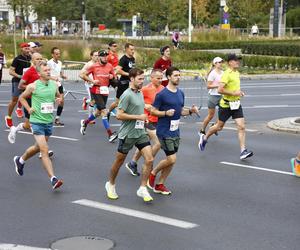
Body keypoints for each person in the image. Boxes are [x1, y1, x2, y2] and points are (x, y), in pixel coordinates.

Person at [147, 67, 199, 195]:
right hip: (164, 131)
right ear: (169, 77)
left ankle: (160, 184)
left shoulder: (181, 93)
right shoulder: (162, 94)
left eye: (179, 75)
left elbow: (180, 111)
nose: (178, 77)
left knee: (171, 161)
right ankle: (152, 174)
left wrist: (191, 111)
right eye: (175, 75)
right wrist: (165, 113)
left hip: (175, 131)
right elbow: (153, 111)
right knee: (172, 159)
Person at [105, 68, 154, 202]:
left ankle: (142, 188)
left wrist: (144, 118)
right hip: (127, 134)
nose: (142, 81)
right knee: (119, 161)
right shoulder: (126, 94)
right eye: (139, 79)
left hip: (140, 133)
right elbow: (119, 115)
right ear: (132, 79)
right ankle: (110, 184)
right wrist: (139, 116)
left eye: (143, 79)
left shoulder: (139, 93)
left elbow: (140, 110)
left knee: (149, 159)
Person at [13, 61, 63, 190]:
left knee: (36, 148)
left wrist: (58, 100)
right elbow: (21, 98)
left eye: (48, 70)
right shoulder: (33, 86)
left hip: (48, 122)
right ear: (39, 73)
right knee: (44, 150)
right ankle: (53, 179)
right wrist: (29, 109)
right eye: (45, 70)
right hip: (36, 122)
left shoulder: (53, 85)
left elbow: (58, 96)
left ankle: (20, 160)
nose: (48, 72)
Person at [198, 54, 254, 160]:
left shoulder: (236, 73)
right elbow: (220, 90)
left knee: (241, 127)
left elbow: (234, 88)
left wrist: (239, 93)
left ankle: (243, 151)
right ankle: (204, 138)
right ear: (230, 62)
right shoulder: (226, 74)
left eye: (238, 60)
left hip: (236, 104)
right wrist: (234, 93)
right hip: (226, 105)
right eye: (236, 60)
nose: (238, 62)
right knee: (219, 127)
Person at [125, 69, 164, 176]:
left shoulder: (163, 89)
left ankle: (132, 163)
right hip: (147, 120)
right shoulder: (145, 89)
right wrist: (145, 105)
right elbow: (136, 101)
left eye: (162, 78)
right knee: (158, 143)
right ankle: (149, 163)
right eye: (158, 78)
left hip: (158, 120)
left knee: (144, 144)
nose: (160, 80)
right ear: (151, 78)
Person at [79, 50, 118, 142]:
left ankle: (85, 122)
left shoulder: (109, 66)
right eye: (103, 56)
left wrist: (112, 77)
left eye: (106, 56)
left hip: (105, 91)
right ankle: (110, 135)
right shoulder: (93, 66)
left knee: (97, 113)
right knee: (104, 111)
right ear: (99, 57)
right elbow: (81, 75)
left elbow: (114, 77)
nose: (105, 58)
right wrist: (92, 81)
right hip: (95, 90)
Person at [5, 43, 31, 128]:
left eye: (28, 48)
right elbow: (11, 71)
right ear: (21, 49)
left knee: (28, 100)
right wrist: (20, 76)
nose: (27, 50)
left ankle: (29, 121)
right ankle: (8, 117)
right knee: (14, 100)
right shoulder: (17, 59)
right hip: (17, 81)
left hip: (26, 83)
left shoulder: (30, 58)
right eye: (25, 48)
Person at [107, 43, 135, 117]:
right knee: (117, 102)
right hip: (123, 83)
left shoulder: (132, 59)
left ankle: (129, 114)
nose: (133, 51)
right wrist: (128, 74)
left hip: (130, 83)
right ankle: (108, 112)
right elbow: (118, 70)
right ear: (126, 49)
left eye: (133, 49)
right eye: (131, 49)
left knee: (132, 99)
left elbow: (131, 69)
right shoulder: (123, 59)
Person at [199, 57, 224, 135]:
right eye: (219, 62)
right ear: (215, 64)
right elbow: (208, 86)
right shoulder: (212, 73)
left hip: (221, 96)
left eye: (221, 62)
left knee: (223, 115)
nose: (221, 64)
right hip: (213, 97)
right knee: (210, 115)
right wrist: (218, 85)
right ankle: (202, 130)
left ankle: (214, 126)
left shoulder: (223, 73)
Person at [47, 47, 67, 126]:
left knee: (61, 101)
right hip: (51, 84)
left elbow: (60, 72)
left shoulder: (60, 62)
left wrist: (63, 76)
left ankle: (57, 118)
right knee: (52, 102)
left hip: (58, 83)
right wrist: (52, 78)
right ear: (52, 54)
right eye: (56, 54)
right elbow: (46, 74)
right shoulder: (49, 63)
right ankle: (48, 119)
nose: (58, 55)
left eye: (59, 53)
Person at [81, 50, 98, 121]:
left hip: (96, 84)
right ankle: (90, 118)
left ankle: (86, 101)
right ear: (91, 56)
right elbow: (81, 74)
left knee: (96, 100)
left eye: (98, 55)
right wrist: (87, 80)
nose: (97, 57)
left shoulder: (98, 64)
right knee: (93, 101)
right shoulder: (88, 64)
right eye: (95, 55)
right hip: (89, 85)